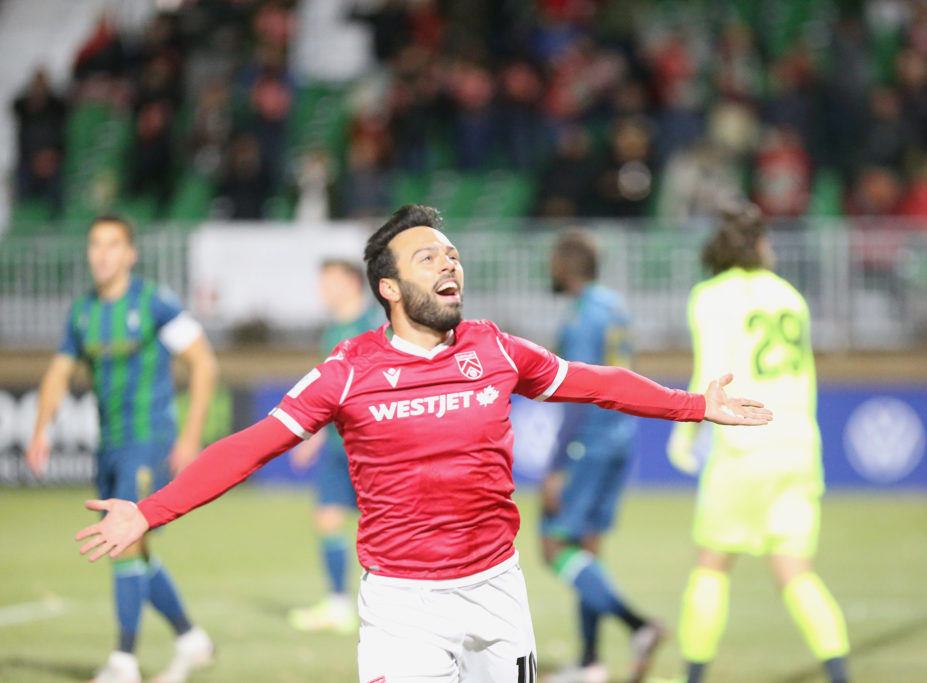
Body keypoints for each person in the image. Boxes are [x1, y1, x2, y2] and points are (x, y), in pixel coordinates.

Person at [76, 204, 771, 683]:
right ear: (389, 286)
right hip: (402, 608)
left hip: (498, 594)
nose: (450, 263)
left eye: (453, 253)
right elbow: (251, 445)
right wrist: (151, 510)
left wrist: (694, 405)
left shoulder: (493, 346)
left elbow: (595, 383)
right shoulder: (348, 369)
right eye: (428, 254)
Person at [29, 215, 219, 683]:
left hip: (148, 438)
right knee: (131, 549)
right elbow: (58, 372)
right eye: (95, 244)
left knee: (124, 540)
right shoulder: (83, 312)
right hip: (109, 445)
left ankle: (124, 660)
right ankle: (191, 638)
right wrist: (39, 430)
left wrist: (190, 436)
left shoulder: (154, 303)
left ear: (130, 254)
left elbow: (203, 363)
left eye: (112, 245)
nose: (102, 253)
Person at [665, 203, 849, 683]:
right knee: (796, 571)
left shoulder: (710, 296)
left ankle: (693, 677)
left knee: (712, 564)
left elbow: (709, 372)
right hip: (800, 446)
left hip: (745, 445)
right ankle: (840, 674)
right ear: (759, 245)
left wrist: (685, 433)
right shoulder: (790, 295)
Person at [542, 230, 662, 683]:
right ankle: (591, 663)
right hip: (619, 436)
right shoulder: (615, 306)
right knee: (587, 551)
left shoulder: (581, 318)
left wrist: (557, 466)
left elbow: (577, 393)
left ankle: (639, 626)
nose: (549, 269)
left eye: (554, 261)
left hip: (586, 441)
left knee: (554, 547)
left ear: (569, 265)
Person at [287, 259, 384, 633]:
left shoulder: (376, 327)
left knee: (380, 525)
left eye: (328, 281)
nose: (321, 289)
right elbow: (330, 391)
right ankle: (338, 603)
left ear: (349, 283)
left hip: (370, 446)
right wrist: (312, 435)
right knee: (326, 517)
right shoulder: (332, 331)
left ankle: (389, 600)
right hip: (335, 445)